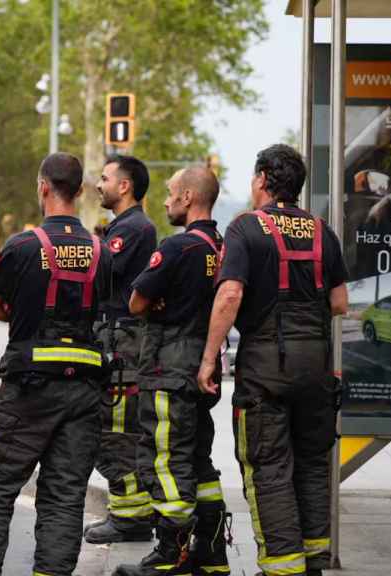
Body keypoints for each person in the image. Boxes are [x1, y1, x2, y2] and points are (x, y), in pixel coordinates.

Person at [0, 152, 111, 576]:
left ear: (43, 186)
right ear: (78, 192)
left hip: (28, 388)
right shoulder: (102, 251)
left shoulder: (23, 247)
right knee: (64, 498)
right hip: (85, 392)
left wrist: (25, 313)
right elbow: (106, 312)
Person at [196, 144, 348, 576]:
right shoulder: (323, 231)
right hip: (316, 369)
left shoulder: (247, 228)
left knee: (269, 468)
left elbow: (229, 294)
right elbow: (339, 302)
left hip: (266, 370)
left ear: (263, 179)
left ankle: (283, 568)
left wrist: (210, 359)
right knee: (313, 465)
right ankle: (314, 559)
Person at [113, 165, 229, 576]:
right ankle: (213, 553)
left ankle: (169, 555)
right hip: (203, 368)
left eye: (169, 193)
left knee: (164, 459)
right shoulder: (222, 246)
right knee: (199, 462)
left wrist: (158, 301)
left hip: (170, 371)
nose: (163, 201)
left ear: (188, 198)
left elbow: (137, 302)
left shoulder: (178, 248)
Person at [85, 155, 160, 544]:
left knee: (114, 432)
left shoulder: (133, 228)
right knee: (110, 430)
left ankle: (131, 519)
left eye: (104, 178)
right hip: (115, 339)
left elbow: (100, 271)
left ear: (125, 186)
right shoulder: (125, 226)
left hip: (122, 344)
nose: (99, 184)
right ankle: (130, 513)